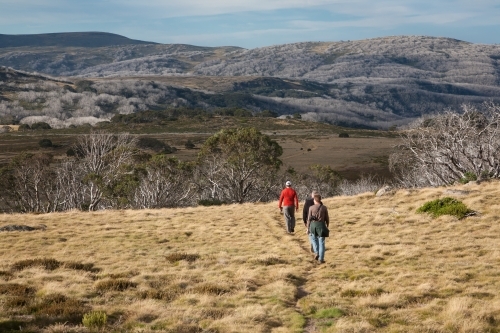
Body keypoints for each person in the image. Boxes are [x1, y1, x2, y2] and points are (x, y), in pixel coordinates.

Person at [307, 194, 330, 263]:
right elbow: (327, 218)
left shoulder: (311, 208)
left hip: (313, 225)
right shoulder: (324, 208)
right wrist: (327, 225)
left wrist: (308, 228)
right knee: (322, 242)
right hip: (321, 225)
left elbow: (309, 219)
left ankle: (316, 252)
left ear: (315, 200)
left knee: (313, 239)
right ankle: (321, 259)